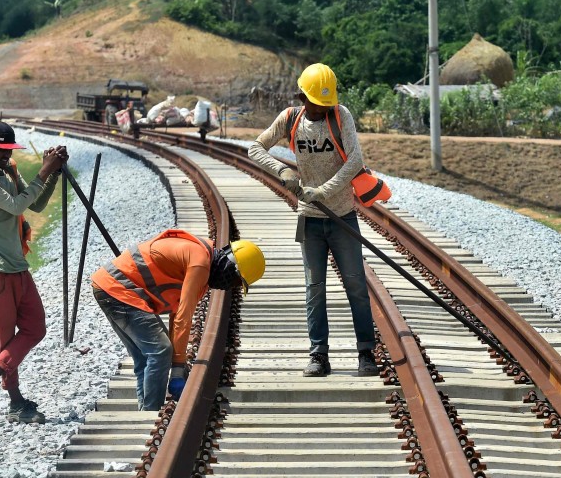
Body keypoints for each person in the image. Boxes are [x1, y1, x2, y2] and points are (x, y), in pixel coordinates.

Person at [248, 62, 381, 378]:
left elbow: (355, 161)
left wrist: (323, 190)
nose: (322, 108)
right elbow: (255, 148)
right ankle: (319, 355)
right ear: (303, 98)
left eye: (326, 104)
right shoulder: (290, 119)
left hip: (343, 216)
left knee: (356, 285)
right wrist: (282, 171)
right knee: (314, 288)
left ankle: (365, 353)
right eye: (317, 103)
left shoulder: (340, 116)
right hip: (310, 221)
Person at [0, 120, 68, 426]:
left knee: (36, 328)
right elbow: (14, 205)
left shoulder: (8, 170)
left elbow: (34, 204)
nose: (7, 155)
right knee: (5, 337)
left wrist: (53, 173)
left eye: (10, 149)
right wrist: (44, 170)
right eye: (1, 150)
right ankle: (16, 403)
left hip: (17, 266)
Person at [91, 231, 264, 411]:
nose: (229, 287)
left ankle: (145, 413)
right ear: (231, 268)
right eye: (236, 282)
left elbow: (177, 313)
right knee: (160, 351)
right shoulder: (200, 264)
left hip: (110, 287)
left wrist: (178, 365)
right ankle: (151, 414)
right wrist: (178, 369)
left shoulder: (201, 258)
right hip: (119, 290)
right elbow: (183, 316)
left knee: (146, 357)